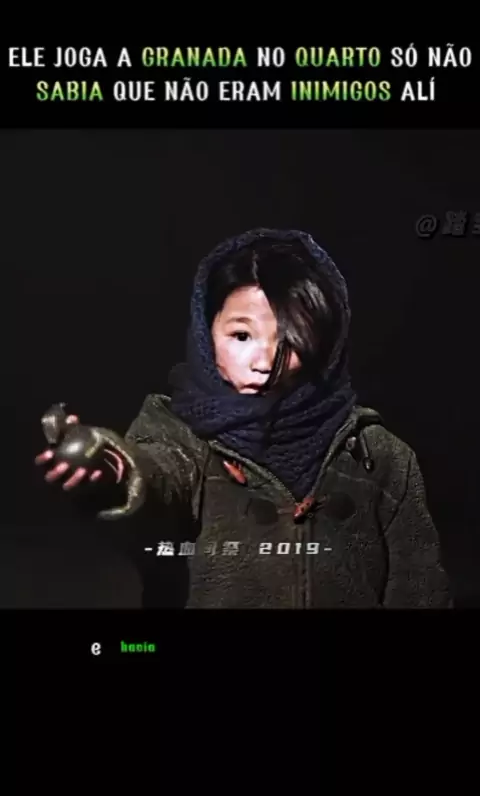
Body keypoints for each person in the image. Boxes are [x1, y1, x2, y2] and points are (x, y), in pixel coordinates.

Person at [34, 228, 452, 608]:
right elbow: (160, 474)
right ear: (206, 331)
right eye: (241, 335)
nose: (265, 363)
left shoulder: (381, 457)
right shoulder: (178, 434)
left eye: (290, 339)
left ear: (325, 342)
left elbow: (420, 590)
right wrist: (119, 470)